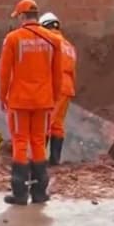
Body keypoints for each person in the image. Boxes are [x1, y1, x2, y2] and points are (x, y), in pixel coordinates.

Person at [0, 0, 62, 206]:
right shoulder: (54, 40)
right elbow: (57, 75)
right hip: (44, 101)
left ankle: (19, 193)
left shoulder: (13, 39)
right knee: (38, 141)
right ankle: (39, 192)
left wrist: (2, 96)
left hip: (19, 101)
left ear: (22, 16)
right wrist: (54, 98)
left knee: (20, 141)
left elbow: (5, 72)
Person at [39, 12, 77, 166]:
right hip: (67, 87)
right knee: (57, 124)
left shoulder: (49, 42)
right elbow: (73, 70)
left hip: (54, 86)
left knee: (46, 122)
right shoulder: (69, 46)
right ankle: (55, 160)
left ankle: (39, 160)